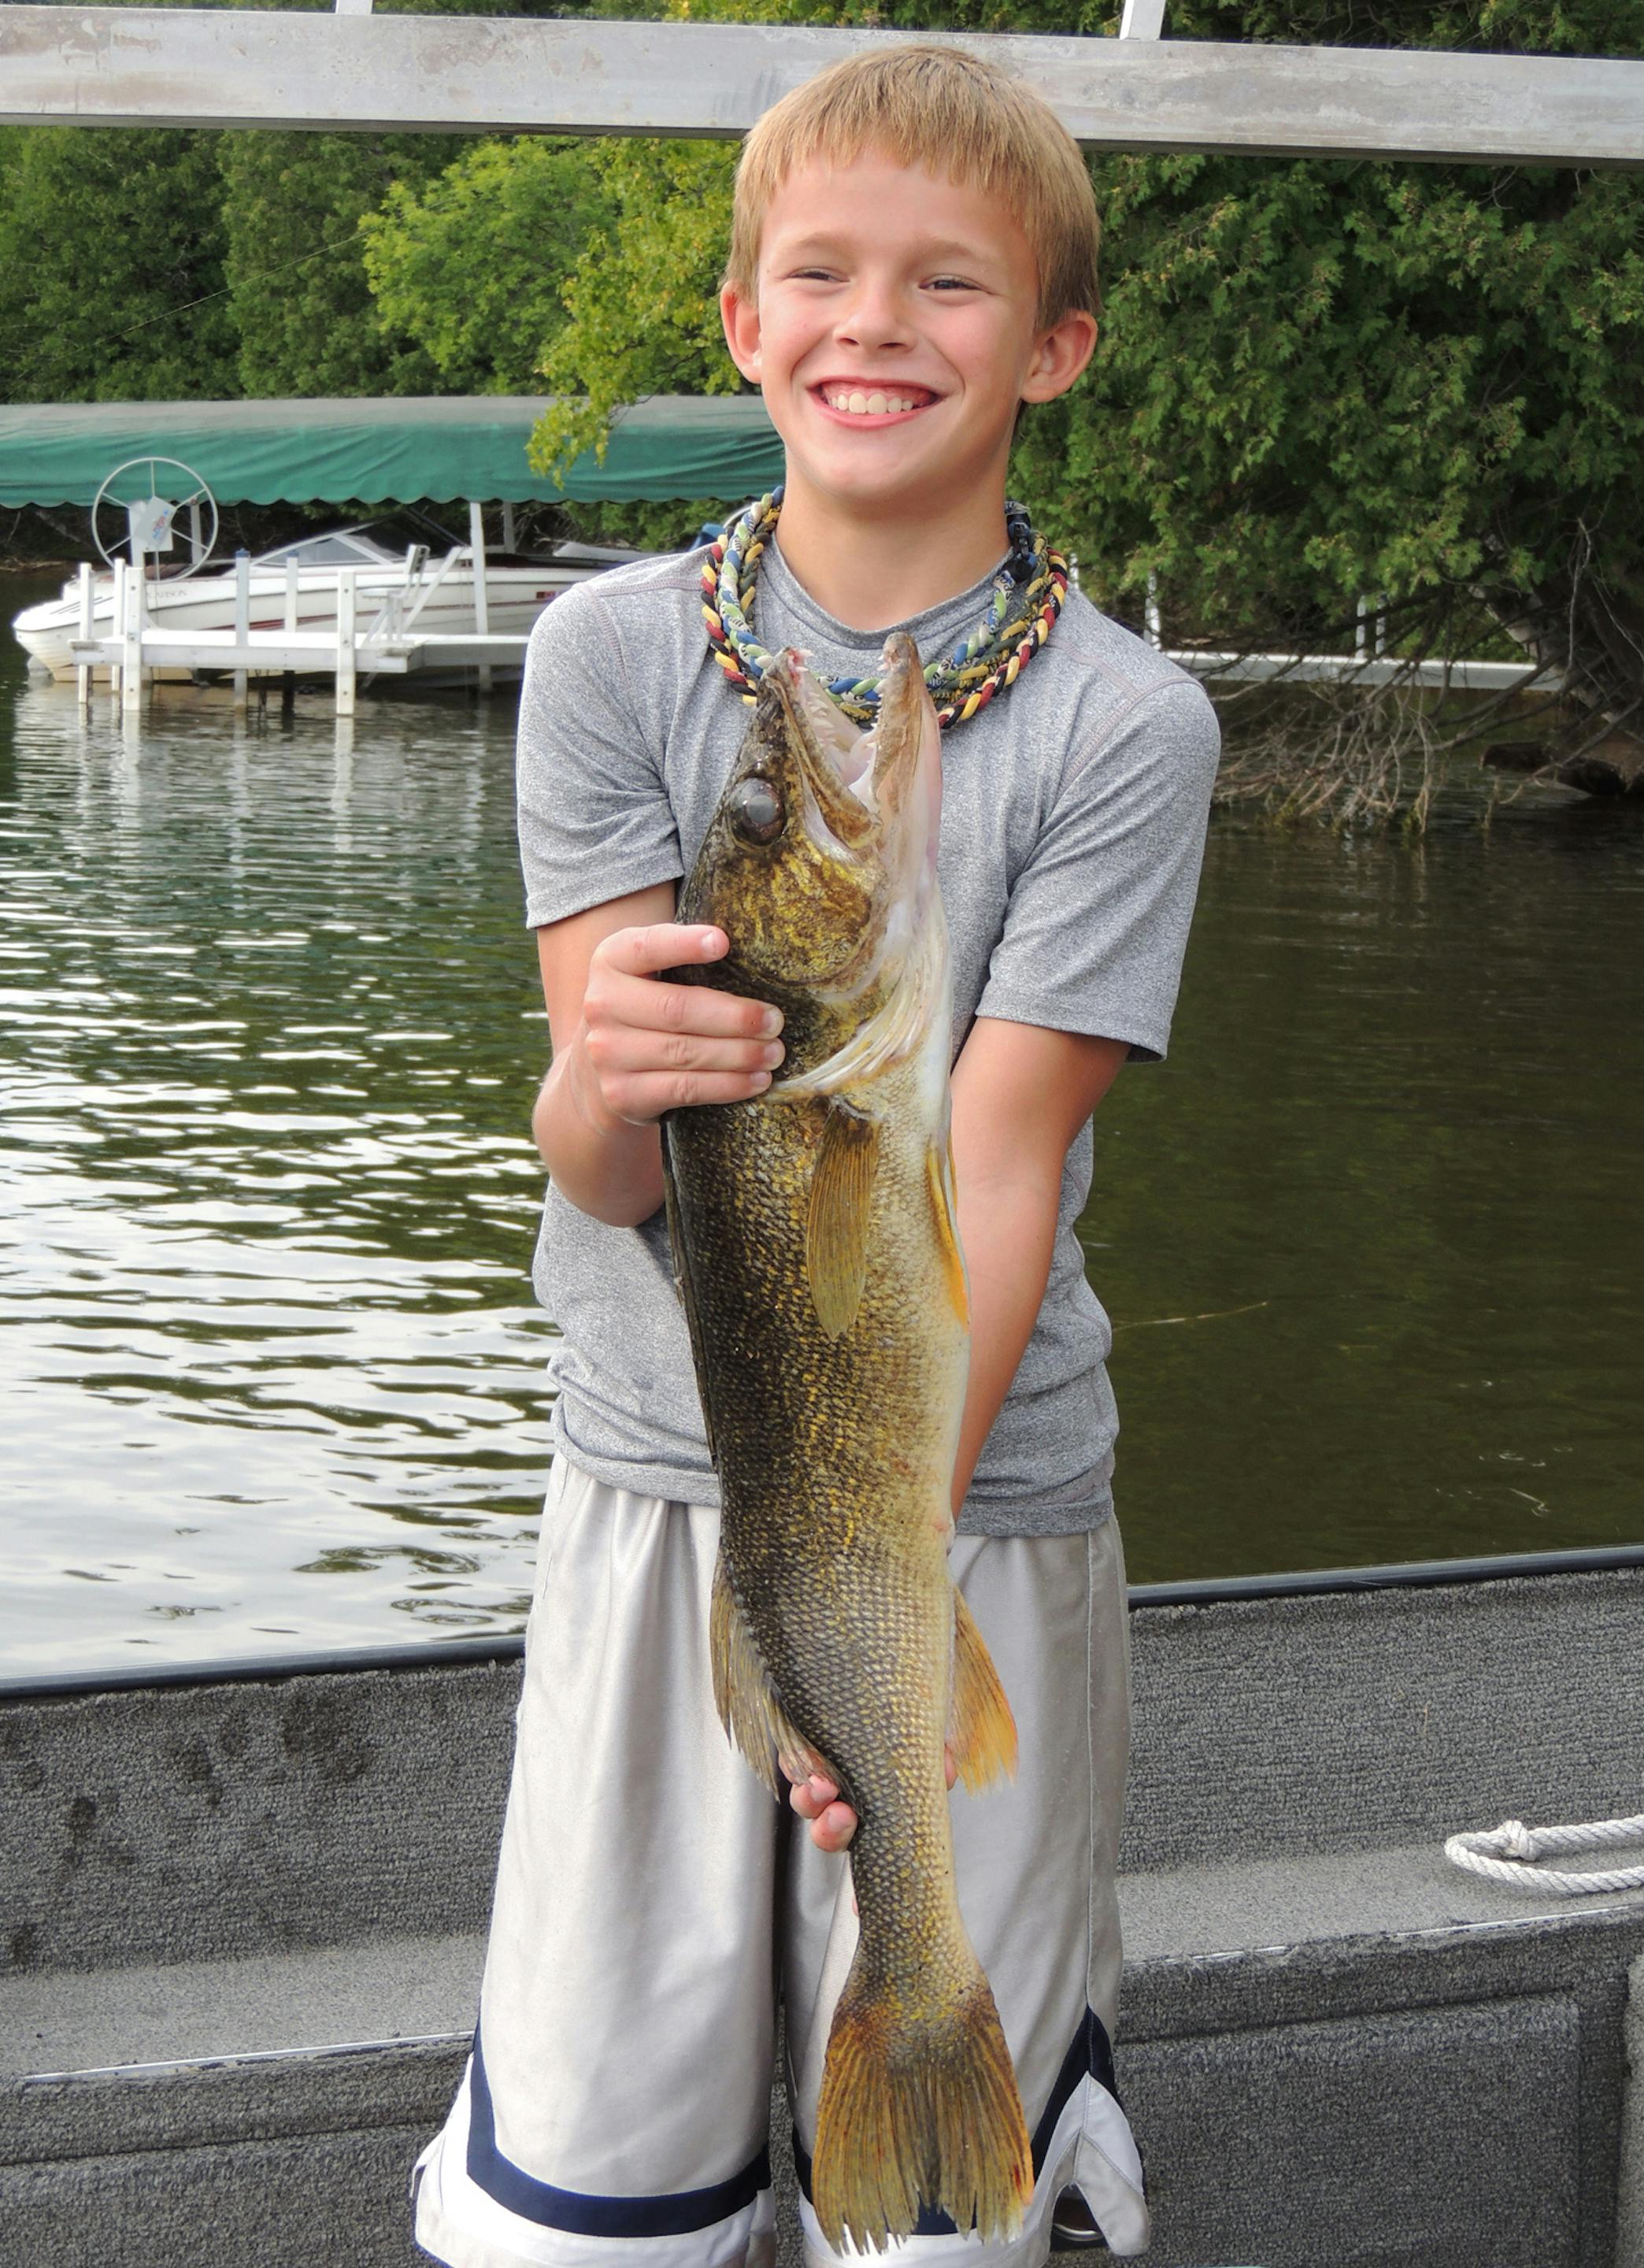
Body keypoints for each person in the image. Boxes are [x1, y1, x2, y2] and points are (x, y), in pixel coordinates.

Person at [413, 41, 1218, 2268]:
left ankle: (959, 2135)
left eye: (949, 285)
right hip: (655, 1487)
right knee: (595, 2157)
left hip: (975, 1494)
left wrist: (862, 1631)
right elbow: (601, 1161)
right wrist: (602, 1080)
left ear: (1053, 348)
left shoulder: (1127, 726)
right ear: (747, 324)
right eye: (822, 277)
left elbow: (1004, 1164)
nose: (876, 325)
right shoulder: (600, 661)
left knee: (946, 2214)